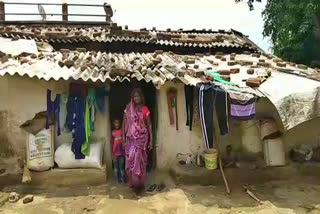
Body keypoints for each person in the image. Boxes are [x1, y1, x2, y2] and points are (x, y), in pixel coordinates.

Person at [122, 88, 153, 193]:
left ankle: (140, 184)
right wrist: (123, 138)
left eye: (138, 96)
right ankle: (134, 183)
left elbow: (149, 124)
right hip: (131, 140)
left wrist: (151, 140)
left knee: (141, 162)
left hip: (142, 140)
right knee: (131, 161)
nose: (137, 98)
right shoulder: (128, 108)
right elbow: (123, 124)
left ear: (141, 97)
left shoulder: (145, 109)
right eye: (135, 96)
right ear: (132, 98)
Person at [111, 119, 126, 183]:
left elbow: (124, 141)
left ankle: (122, 179)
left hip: (121, 153)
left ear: (120, 124)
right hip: (115, 153)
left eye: (118, 123)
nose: (117, 124)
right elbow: (111, 142)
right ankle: (118, 180)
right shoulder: (113, 132)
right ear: (113, 124)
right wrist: (112, 153)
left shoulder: (121, 131)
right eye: (115, 123)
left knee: (121, 167)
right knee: (116, 168)